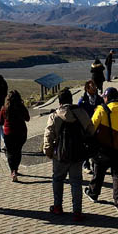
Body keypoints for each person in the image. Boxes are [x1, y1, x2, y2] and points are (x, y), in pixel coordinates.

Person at [43, 89, 95, 222]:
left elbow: (48, 136)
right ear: (71, 100)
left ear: (59, 102)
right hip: (77, 154)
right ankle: (77, 212)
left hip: (60, 155)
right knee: (76, 182)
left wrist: (48, 152)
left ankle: (57, 206)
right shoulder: (81, 113)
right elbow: (91, 130)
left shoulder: (55, 116)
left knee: (57, 179)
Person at [84, 87, 118, 212]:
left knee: (99, 172)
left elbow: (91, 128)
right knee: (117, 175)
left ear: (107, 97)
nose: (103, 99)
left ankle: (93, 193)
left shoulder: (101, 110)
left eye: (104, 97)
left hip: (102, 147)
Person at [0, 90, 30, 182]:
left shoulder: (4, 108)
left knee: (10, 152)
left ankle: (13, 170)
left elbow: (0, 120)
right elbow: (27, 118)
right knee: (17, 151)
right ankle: (15, 169)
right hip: (21, 132)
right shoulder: (21, 107)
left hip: (8, 133)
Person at [78, 80, 104, 174]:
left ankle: (95, 164)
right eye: (92, 87)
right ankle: (86, 165)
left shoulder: (99, 99)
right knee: (86, 146)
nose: (94, 89)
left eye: (95, 87)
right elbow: (79, 112)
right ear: (87, 88)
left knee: (96, 145)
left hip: (97, 126)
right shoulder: (83, 100)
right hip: (85, 126)